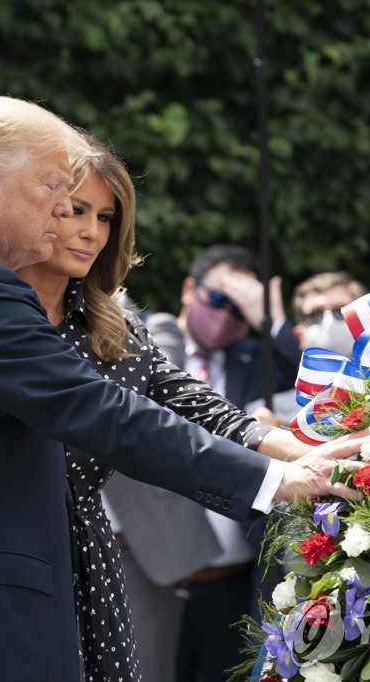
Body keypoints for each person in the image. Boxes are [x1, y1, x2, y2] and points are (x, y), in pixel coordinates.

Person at [0, 96, 367, 682]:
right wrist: (277, 480)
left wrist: (291, 452)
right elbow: (103, 411)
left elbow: (168, 400)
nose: (61, 211)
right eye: (51, 187)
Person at [15, 136, 368, 681]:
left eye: (106, 217)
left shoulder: (115, 321)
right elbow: (135, 427)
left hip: (99, 555)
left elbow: (199, 407)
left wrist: (316, 457)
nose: (90, 230)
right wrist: (277, 478)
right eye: (77, 210)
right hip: (16, 544)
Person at [103, 244, 304, 682]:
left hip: (235, 583)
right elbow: (160, 396)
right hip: (150, 568)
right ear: (189, 289)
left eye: (239, 308)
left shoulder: (260, 360)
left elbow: (327, 380)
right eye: (219, 299)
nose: (226, 315)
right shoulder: (150, 335)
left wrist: (272, 319)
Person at [250, 270, 369, 426]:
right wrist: (265, 435)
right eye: (315, 314)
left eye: (341, 310)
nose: (329, 320)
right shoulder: (269, 413)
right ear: (299, 335)